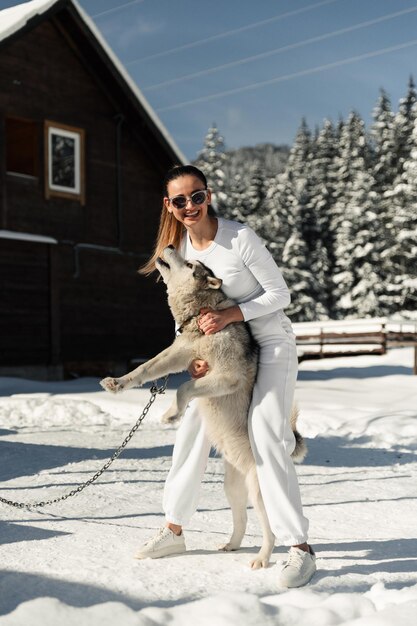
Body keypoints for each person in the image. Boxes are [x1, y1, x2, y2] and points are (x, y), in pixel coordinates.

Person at [137, 164, 316, 588]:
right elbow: (186, 315)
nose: (189, 206)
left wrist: (231, 313)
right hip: (223, 355)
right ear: (170, 205)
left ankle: (299, 548)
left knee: (264, 432)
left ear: (208, 195)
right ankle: (174, 530)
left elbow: (280, 294)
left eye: (196, 196)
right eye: (179, 200)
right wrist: (194, 362)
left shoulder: (239, 238)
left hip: (270, 345)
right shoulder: (178, 249)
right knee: (193, 431)